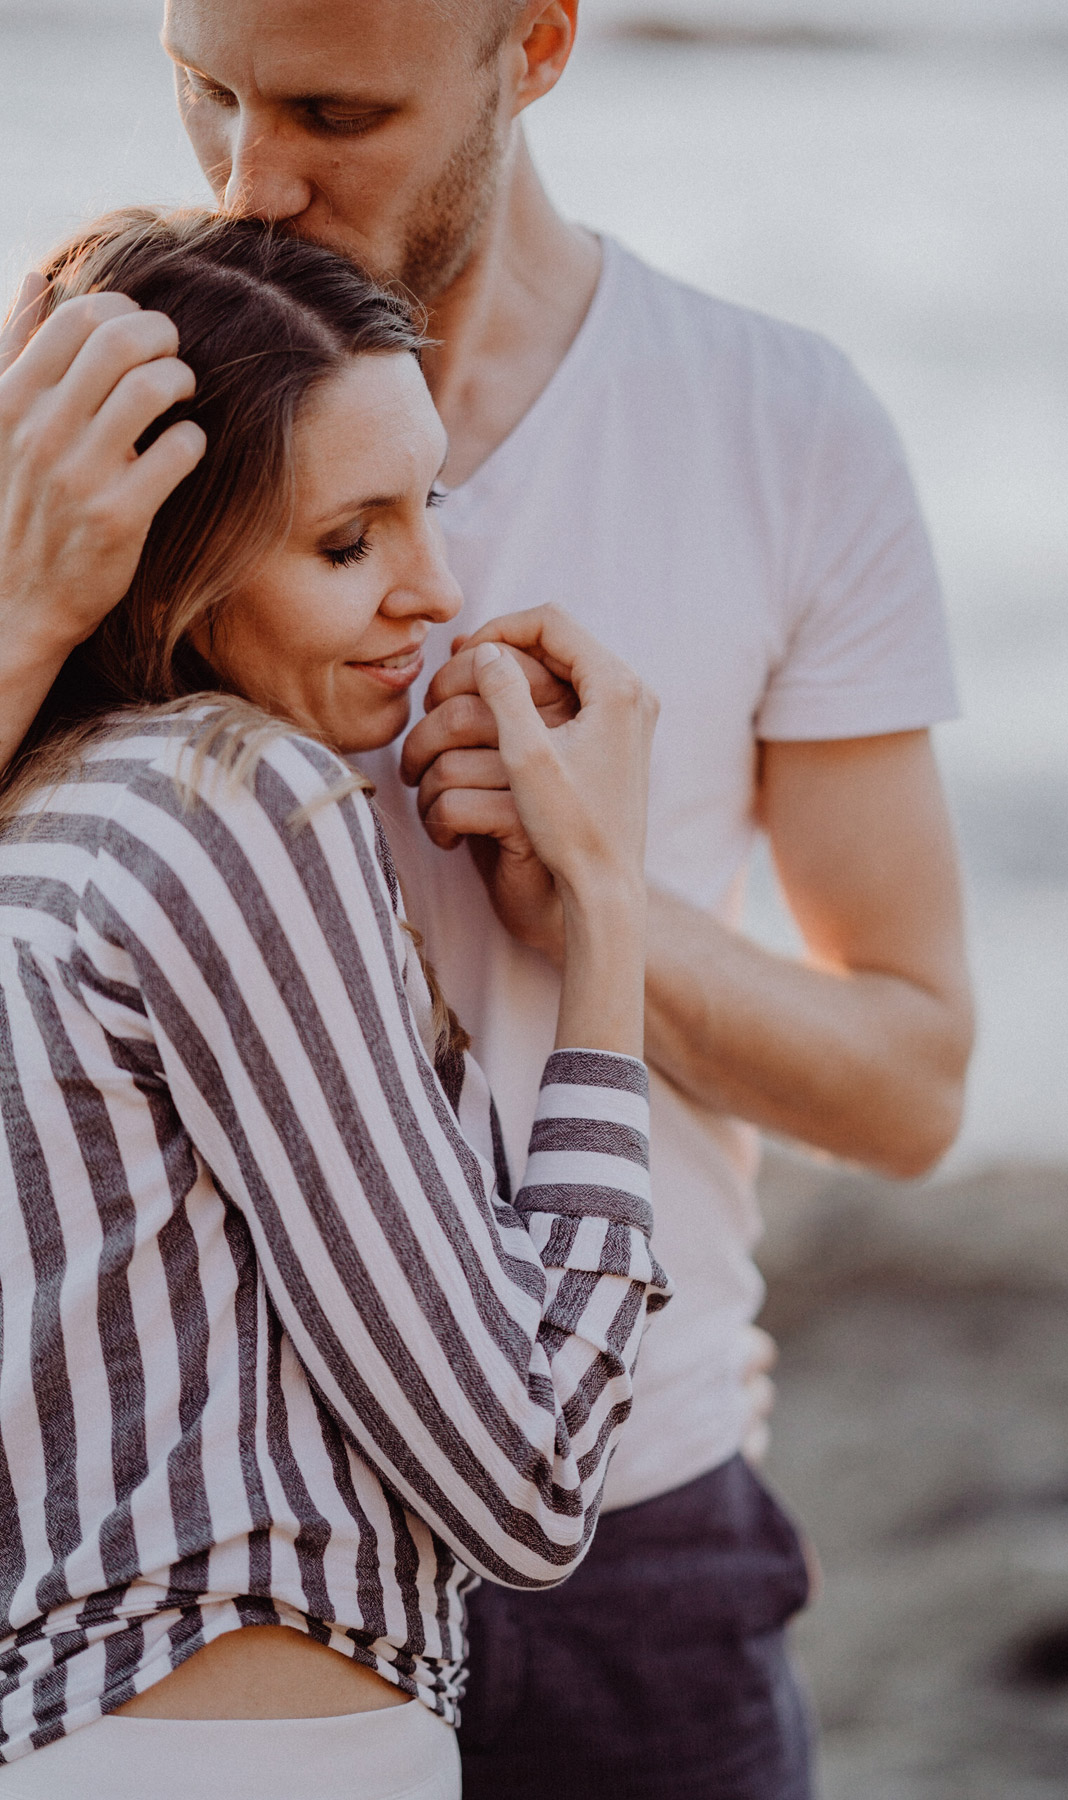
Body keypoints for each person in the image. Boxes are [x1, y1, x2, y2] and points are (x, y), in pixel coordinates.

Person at [0, 3, 975, 1795]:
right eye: (204, 91)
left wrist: (595, 899)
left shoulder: (781, 427)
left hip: (628, 1526)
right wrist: (23, 621)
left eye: (331, 110)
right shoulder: (71, 422)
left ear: (532, 45)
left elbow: (911, 1086)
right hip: (178, 1600)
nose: (247, 175)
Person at [0, 208, 667, 1800]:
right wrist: (609, 912)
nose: (432, 591)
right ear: (167, 566)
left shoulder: (44, 827)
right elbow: (529, 1486)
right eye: (344, 541)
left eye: (425, 504)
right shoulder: (235, 802)